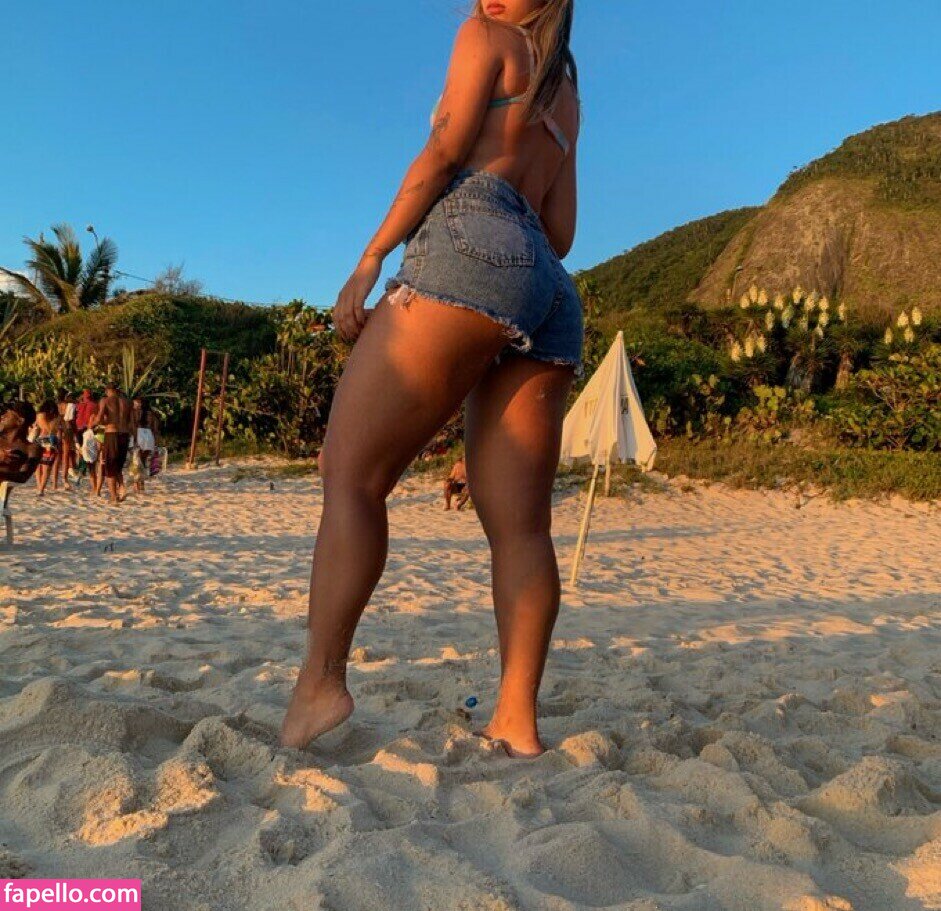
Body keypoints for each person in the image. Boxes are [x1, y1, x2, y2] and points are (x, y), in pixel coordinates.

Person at [282, 0, 583, 759]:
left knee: (350, 472)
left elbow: (443, 153)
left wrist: (370, 257)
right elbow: (562, 231)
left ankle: (320, 684)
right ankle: (515, 719)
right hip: (548, 288)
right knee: (521, 527)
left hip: (471, 239)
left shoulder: (486, 38)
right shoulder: (565, 90)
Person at [91, 382, 134, 504]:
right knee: (118, 466)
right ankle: (122, 487)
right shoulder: (127, 402)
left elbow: (99, 418)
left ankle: (113, 497)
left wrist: (92, 424)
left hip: (111, 433)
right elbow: (132, 423)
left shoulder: (105, 400)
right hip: (124, 435)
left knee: (110, 466)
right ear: (117, 390)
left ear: (107, 391)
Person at [0, 402, 41, 485]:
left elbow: (23, 477)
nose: (2, 416)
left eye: (7, 414)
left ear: (20, 421)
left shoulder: (32, 448)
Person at [32, 401, 62, 496]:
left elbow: (35, 427)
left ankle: (39, 487)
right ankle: (41, 489)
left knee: (38, 466)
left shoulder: (39, 415)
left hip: (39, 440)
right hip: (49, 441)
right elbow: (55, 431)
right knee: (46, 468)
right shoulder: (56, 417)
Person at [132, 397, 159, 494]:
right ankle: (142, 483)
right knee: (143, 461)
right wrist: (155, 442)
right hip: (149, 436)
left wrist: (134, 439)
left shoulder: (135, 413)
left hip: (139, 435)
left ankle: (136, 483)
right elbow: (155, 429)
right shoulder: (152, 414)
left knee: (136, 461)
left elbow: (132, 427)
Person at [57, 389, 78, 490]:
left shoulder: (56, 405)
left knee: (58, 456)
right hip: (67, 429)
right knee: (66, 455)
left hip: (57, 429)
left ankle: (56, 481)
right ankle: (65, 480)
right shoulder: (70, 405)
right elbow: (71, 420)